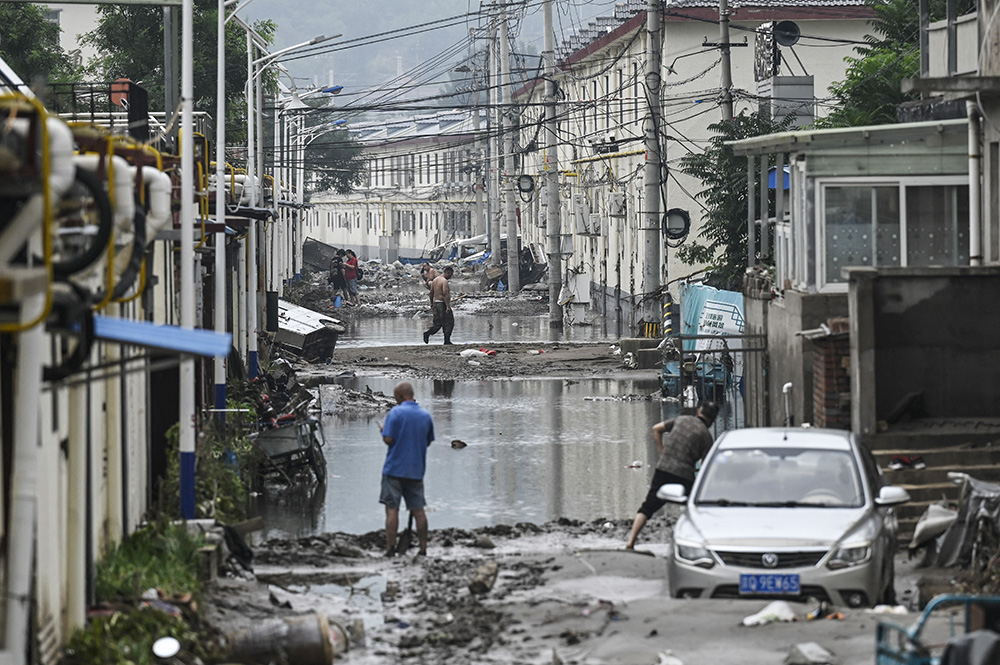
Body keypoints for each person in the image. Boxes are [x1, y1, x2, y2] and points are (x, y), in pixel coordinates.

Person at [625, 400, 719, 550]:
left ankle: (630, 543)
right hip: (685, 475)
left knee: (647, 507)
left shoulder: (681, 420)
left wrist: (661, 453)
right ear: (713, 420)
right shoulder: (706, 436)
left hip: (664, 468)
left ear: (699, 412)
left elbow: (656, 429)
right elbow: (705, 465)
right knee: (693, 508)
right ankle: (694, 544)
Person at [379, 381, 435, 557]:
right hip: (416, 471)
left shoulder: (395, 412)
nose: (396, 401)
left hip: (394, 469)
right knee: (418, 510)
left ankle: (390, 548)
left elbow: (389, 439)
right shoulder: (425, 415)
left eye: (396, 398)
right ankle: (423, 548)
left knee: (391, 509)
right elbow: (427, 441)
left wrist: (383, 432)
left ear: (402, 396)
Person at [423, 266, 454, 345]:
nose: (450, 277)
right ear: (448, 273)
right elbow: (445, 294)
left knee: (437, 323)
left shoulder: (435, 280)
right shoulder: (444, 281)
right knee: (448, 322)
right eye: (451, 275)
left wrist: (432, 304)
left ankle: (427, 333)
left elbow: (431, 293)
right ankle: (447, 340)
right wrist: (447, 306)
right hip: (442, 304)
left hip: (436, 303)